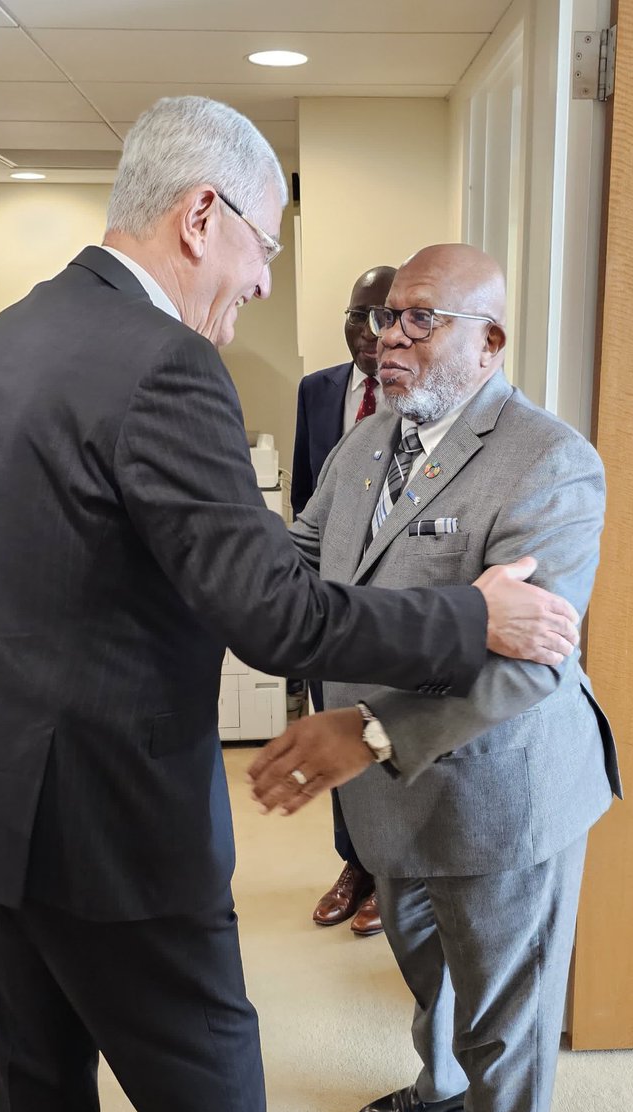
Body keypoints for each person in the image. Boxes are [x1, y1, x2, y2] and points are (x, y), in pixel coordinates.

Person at [0, 98, 581, 1112]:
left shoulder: (24, 326)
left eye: (425, 319)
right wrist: (471, 616)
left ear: (489, 338)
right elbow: (276, 605)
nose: (265, 279)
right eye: (263, 244)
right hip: (107, 815)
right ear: (202, 216)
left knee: (38, 1091)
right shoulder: (171, 366)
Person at [250, 243, 622, 1112]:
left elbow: (526, 665)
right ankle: (440, 1081)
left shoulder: (551, 463)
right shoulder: (368, 441)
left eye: (421, 319)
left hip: (498, 796)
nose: (390, 340)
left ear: (489, 341)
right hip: (381, 797)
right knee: (427, 969)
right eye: (385, 320)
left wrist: (366, 730)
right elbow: (298, 559)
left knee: (506, 1018)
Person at [291, 265, 396, 937]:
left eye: (384, 315)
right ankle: (353, 864)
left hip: (394, 602)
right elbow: (308, 492)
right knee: (335, 726)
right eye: (358, 314)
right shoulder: (318, 390)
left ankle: (391, 875)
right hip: (330, 596)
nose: (368, 330)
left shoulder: (415, 392)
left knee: (386, 734)